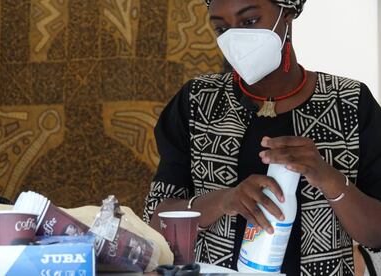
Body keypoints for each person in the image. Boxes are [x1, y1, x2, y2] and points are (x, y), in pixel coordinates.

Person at [143, 0, 381, 275]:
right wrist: (223, 201)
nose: (235, 38)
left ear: (288, 14)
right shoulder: (198, 101)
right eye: (221, 28)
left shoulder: (348, 103)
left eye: (250, 21)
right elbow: (156, 222)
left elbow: (376, 235)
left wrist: (329, 178)